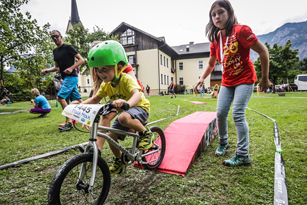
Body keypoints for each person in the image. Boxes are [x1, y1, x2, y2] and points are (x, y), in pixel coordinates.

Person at [195, 0, 270, 166]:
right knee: (220, 113)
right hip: (227, 82)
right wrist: (202, 78)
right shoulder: (216, 38)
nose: (217, 17)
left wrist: (265, 78)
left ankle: (243, 155)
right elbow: (211, 63)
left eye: (220, 12)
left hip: (244, 79)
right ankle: (223, 142)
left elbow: (263, 51)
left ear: (229, 13)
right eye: (213, 14)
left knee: (237, 113)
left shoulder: (241, 31)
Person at [81, 40, 152, 175]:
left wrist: (127, 104)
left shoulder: (126, 79)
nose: (101, 74)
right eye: (98, 70)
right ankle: (119, 159)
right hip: (126, 112)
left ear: (118, 68)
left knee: (123, 117)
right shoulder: (106, 85)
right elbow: (95, 98)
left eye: (104, 69)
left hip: (140, 108)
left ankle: (146, 133)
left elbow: (137, 95)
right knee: (110, 135)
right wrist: (80, 105)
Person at [41, 30, 84, 131]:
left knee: (60, 98)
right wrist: (47, 70)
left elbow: (81, 60)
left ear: (61, 37)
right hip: (65, 78)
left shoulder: (68, 48)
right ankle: (92, 113)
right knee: (79, 100)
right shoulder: (55, 51)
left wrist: (71, 68)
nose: (55, 38)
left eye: (56, 36)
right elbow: (57, 68)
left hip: (71, 77)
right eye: (52, 37)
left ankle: (69, 122)